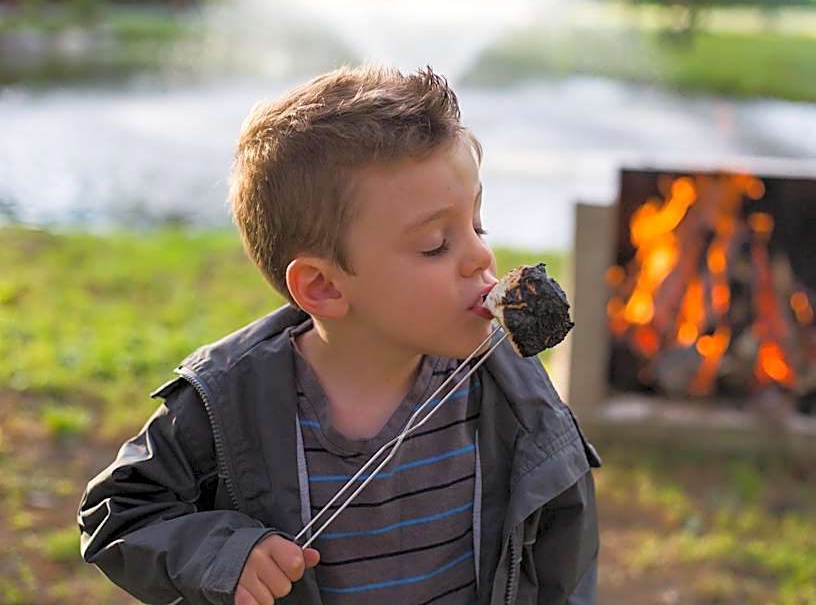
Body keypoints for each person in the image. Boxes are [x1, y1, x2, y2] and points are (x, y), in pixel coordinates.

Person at [78, 63, 601, 605]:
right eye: (434, 244)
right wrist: (224, 553)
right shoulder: (227, 401)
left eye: (477, 224)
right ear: (323, 287)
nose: (481, 256)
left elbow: (563, 559)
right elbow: (119, 513)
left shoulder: (510, 385)